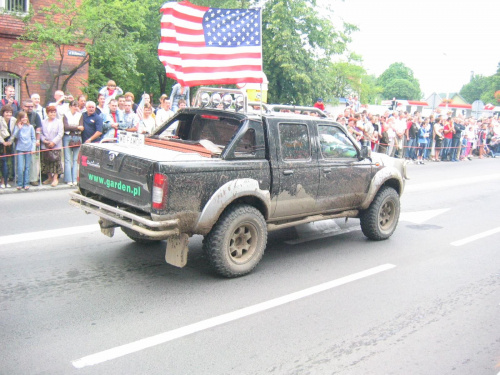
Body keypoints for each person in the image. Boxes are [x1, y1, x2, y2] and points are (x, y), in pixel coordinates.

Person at [40, 105, 64, 187]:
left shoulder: (59, 122)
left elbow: (60, 133)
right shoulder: (43, 122)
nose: (53, 114)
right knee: (46, 162)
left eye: (54, 112)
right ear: (47, 113)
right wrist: (44, 141)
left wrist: (53, 142)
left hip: (56, 145)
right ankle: (49, 177)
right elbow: (40, 133)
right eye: (51, 112)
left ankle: (55, 178)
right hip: (45, 145)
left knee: (56, 162)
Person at [12, 111, 36, 190]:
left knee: (27, 167)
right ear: (20, 118)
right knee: (20, 167)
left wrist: (33, 148)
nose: (25, 119)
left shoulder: (31, 127)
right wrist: (19, 128)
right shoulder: (17, 126)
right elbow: (15, 136)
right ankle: (20, 183)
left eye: (26, 117)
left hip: (28, 149)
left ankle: (26, 183)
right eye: (23, 117)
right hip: (20, 149)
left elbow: (33, 138)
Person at [62, 100, 83, 185]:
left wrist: (74, 127)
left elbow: (82, 127)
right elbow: (66, 127)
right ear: (70, 106)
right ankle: (68, 179)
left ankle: (74, 179)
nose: (75, 107)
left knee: (75, 159)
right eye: (74, 105)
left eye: (77, 105)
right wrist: (77, 127)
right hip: (68, 136)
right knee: (67, 159)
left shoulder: (80, 115)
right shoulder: (66, 115)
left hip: (77, 137)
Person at [23, 100, 42, 186]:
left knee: (33, 161)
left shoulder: (35, 115)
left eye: (31, 106)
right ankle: (23, 179)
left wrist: (37, 140)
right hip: (21, 142)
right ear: (24, 107)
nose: (30, 108)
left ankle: (33, 179)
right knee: (21, 162)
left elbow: (38, 129)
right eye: (28, 106)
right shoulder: (19, 115)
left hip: (32, 141)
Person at [0, 105, 16, 188]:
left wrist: (10, 141)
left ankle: (6, 181)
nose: (8, 114)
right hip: (1, 144)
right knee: (2, 163)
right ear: (3, 113)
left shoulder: (14, 120)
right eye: (7, 112)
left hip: (9, 144)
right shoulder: (0, 120)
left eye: (10, 112)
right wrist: (3, 142)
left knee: (8, 163)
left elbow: (14, 132)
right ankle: (2, 181)